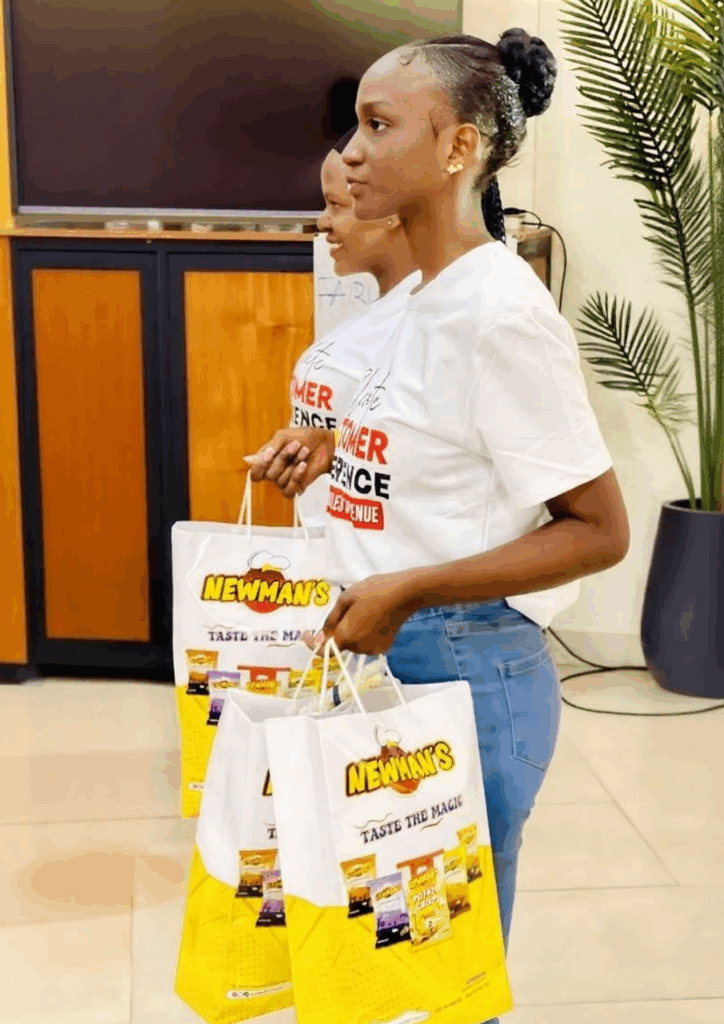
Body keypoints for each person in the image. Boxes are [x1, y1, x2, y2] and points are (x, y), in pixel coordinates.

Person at [252, 28, 630, 1020]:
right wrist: (328, 455)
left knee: (440, 971)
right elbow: (430, 454)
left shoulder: (497, 314)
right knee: (383, 949)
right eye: (354, 127)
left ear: (458, 150)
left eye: (378, 126)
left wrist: (409, 586)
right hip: (386, 649)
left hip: (462, 667)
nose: (352, 152)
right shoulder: (414, 305)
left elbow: (596, 527)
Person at [246, 129, 420, 526]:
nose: (323, 221)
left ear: (392, 212)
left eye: (336, 204)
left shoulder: (432, 323)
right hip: (338, 560)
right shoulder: (379, 314)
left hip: (386, 571)